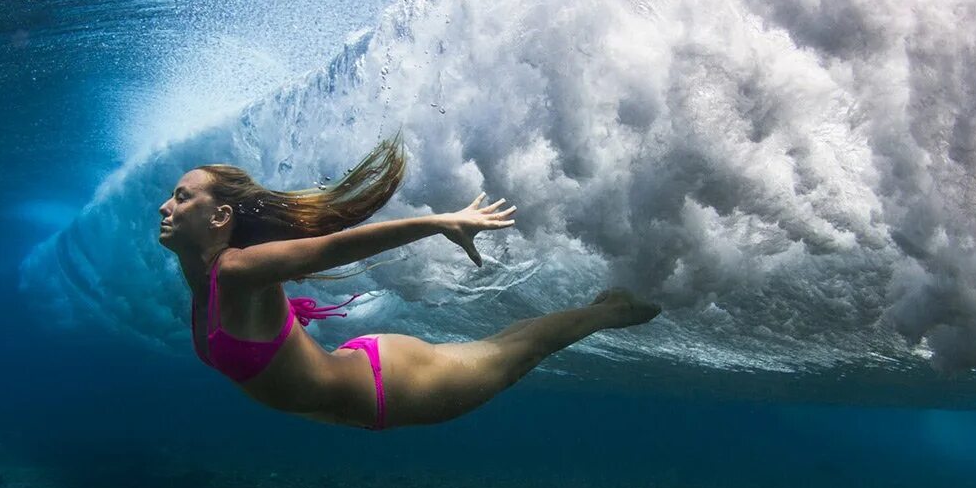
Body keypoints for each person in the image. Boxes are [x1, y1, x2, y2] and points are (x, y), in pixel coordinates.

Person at [159, 135, 661, 430]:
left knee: (518, 353)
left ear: (221, 215)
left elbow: (332, 247)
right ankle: (600, 307)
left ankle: (613, 311)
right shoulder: (207, 280)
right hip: (359, 369)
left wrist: (439, 222)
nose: (166, 206)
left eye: (182, 198)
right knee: (506, 345)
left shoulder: (236, 271)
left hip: (388, 389)